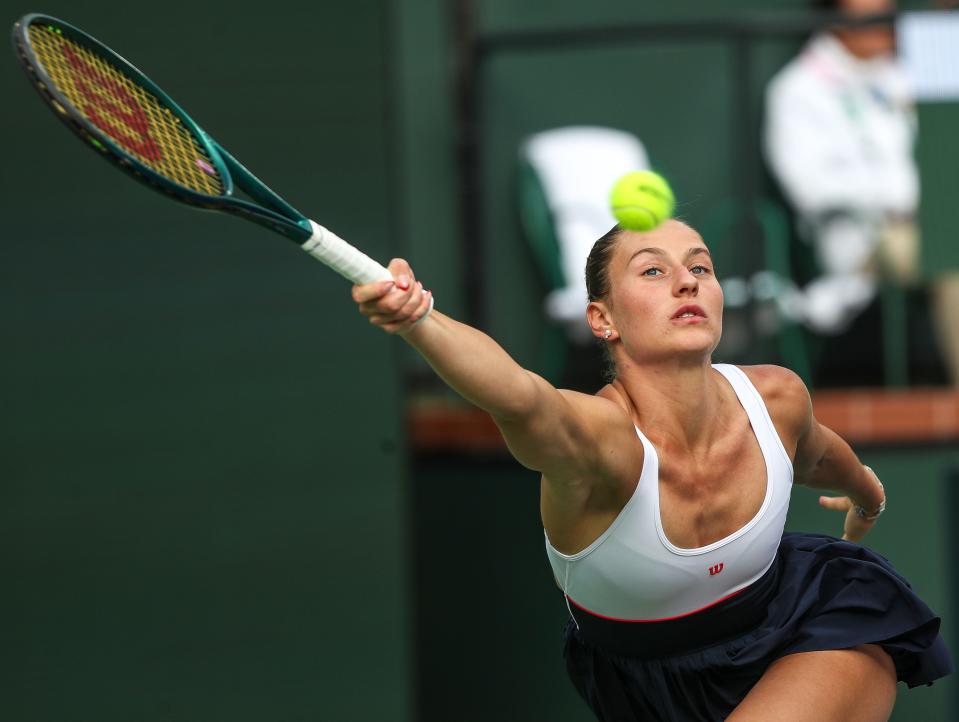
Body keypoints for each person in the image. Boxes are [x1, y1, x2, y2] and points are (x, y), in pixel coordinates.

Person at [351, 219, 952, 721]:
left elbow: (819, 453)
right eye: (653, 271)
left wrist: (866, 493)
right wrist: (418, 319)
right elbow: (517, 396)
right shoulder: (598, 444)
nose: (687, 281)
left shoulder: (776, 397)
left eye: (701, 267)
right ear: (602, 319)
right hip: (646, 688)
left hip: (813, 624)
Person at [763, 0, 959, 384]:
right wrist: (907, 200)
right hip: (864, 244)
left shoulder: (903, 74)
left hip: (936, 224)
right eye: (868, 17)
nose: (883, 25)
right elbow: (811, 188)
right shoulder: (797, 89)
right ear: (834, 18)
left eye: (887, 13)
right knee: (950, 252)